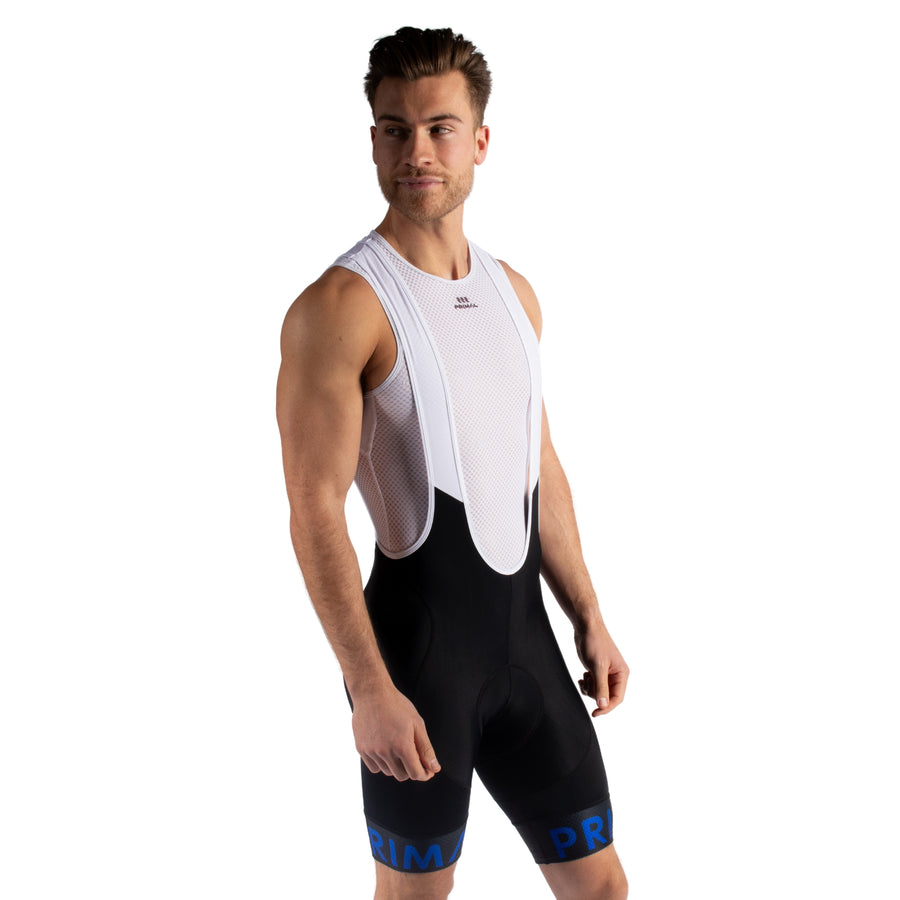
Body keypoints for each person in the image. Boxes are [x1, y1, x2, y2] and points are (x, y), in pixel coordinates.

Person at [276, 26, 629, 900]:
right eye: (396, 130)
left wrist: (588, 613)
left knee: (602, 889)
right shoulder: (341, 306)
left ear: (480, 140)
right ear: (373, 142)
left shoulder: (516, 295)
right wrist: (367, 688)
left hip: (530, 654)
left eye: (440, 128)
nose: (418, 152)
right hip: (417, 665)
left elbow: (539, 464)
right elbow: (313, 509)